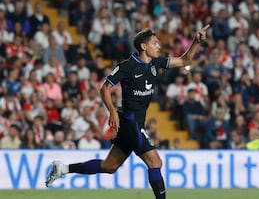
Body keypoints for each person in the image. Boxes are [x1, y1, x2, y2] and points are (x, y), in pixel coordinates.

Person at [45, 24, 210, 199]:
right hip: (130, 122)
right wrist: (113, 112)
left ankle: (63, 168)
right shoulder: (127, 66)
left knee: (110, 166)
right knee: (156, 162)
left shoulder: (156, 63)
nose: (159, 46)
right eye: (155, 43)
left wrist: (195, 42)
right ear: (144, 46)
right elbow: (105, 88)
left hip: (133, 124)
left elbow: (185, 61)